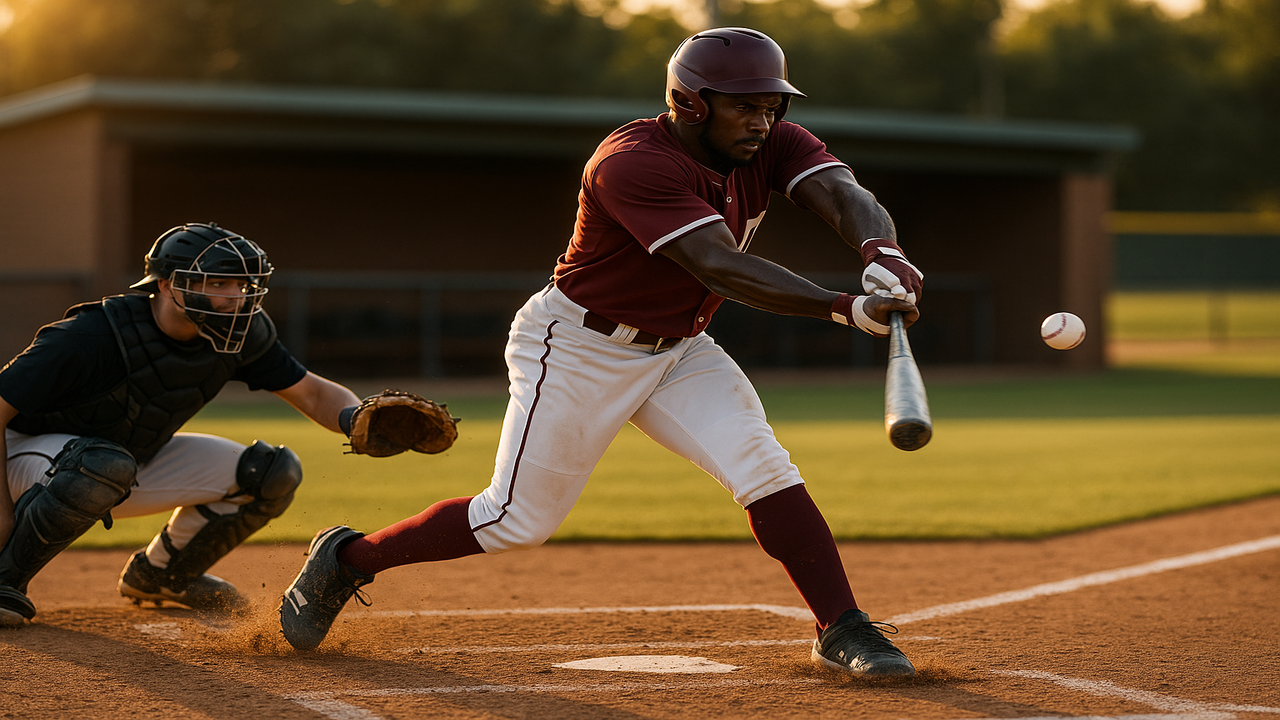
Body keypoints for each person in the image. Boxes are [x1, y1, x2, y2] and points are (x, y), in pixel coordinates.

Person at [279, 27, 924, 676]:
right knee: (513, 521)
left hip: (679, 349)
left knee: (764, 466)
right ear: (691, 103)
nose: (763, 120)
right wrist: (843, 307)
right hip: (578, 346)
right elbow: (717, 265)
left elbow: (844, 194)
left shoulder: (771, 142)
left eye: (771, 106)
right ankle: (347, 559)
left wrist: (883, 252)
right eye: (745, 105)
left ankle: (841, 627)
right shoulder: (631, 163)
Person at [0, 222, 362, 627]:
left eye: (242, 285)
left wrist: (357, 418)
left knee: (271, 472)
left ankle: (162, 575)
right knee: (102, 464)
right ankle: (4, 579)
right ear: (170, 284)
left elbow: (312, 393)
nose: (235, 298)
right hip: (22, 459)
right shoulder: (91, 335)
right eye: (219, 283)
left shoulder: (239, 332)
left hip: (116, 463)